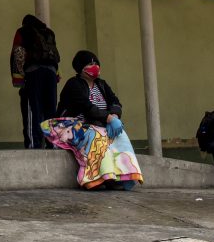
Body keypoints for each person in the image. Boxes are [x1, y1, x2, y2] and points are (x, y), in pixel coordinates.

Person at [41, 50, 143, 190]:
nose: (94, 66)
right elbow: (86, 106)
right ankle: (96, 179)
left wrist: (115, 117)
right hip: (74, 126)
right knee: (95, 136)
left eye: (96, 63)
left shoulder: (102, 84)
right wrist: (108, 118)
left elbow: (115, 102)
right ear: (80, 68)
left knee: (120, 135)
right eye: (90, 64)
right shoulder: (74, 84)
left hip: (99, 124)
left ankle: (120, 177)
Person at [9, 14, 60, 148]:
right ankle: (53, 144)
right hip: (51, 72)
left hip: (34, 72)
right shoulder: (49, 33)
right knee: (50, 109)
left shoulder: (23, 31)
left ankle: (34, 145)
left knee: (33, 108)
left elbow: (18, 52)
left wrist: (19, 80)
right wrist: (57, 75)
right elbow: (54, 54)